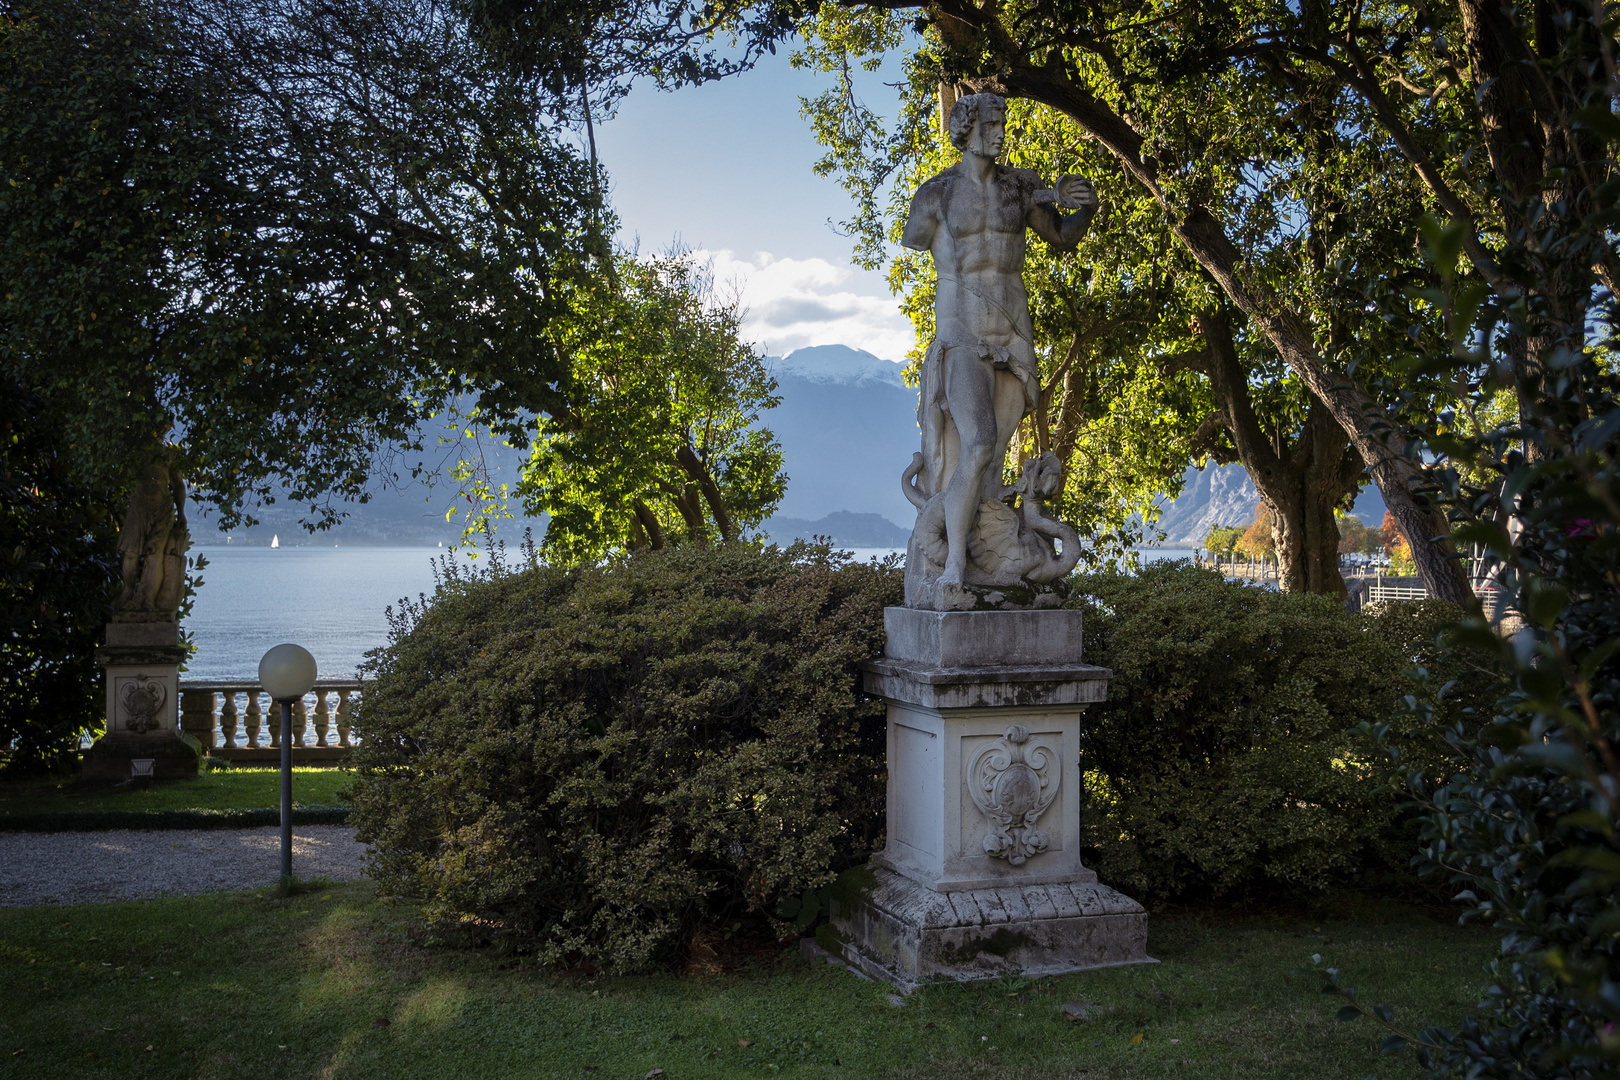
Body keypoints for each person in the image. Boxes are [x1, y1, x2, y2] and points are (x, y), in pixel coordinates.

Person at [901, 92, 1098, 596]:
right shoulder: (935, 196)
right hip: (963, 335)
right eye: (990, 123)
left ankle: (981, 557)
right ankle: (952, 571)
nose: (1000, 131)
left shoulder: (1022, 187)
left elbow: (1061, 236)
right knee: (979, 441)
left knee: (992, 457)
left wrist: (1085, 210)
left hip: (1013, 334)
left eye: (1002, 122)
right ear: (965, 128)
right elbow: (914, 240)